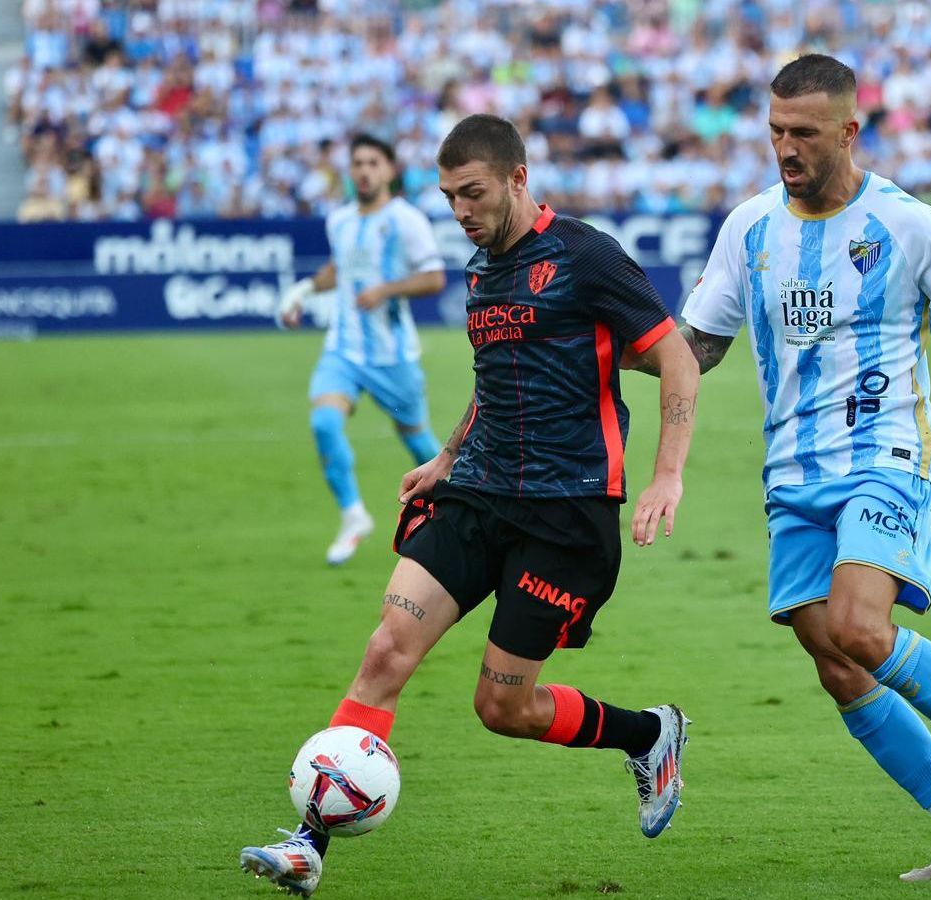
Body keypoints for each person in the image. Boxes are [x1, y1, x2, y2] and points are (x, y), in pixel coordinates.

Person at [242, 114, 701, 897]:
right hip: (479, 494)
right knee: (386, 650)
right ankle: (309, 842)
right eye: (451, 195)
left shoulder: (584, 255)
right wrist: (446, 457)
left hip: (567, 514)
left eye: (474, 193)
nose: (461, 210)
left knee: (502, 706)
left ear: (518, 179)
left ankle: (649, 734)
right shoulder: (480, 268)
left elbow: (677, 359)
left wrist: (667, 477)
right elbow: (493, 379)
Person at [626, 55, 931, 881]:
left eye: (804, 133)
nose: (785, 147)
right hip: (791, 470)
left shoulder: (906, 223)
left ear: (849, 131)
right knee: (834, 658)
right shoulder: (749, 227)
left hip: (886, 453)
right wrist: (607, 345)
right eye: (776, 130)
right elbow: (699, 348)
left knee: (858, 624)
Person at [276, 134, 448, 566]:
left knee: (422, 446)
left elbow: (434, 278)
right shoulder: (340, 220)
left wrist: (386, 290)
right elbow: (341, 266)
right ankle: (354, 515)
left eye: (373, 162)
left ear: (389, 169)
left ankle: (457, 508)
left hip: (393, 354)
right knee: (323, 424)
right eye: (357, 163)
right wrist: (303, 290)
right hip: (344, 349)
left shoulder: (407, 220)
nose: (364, 170)